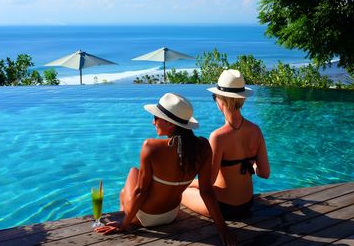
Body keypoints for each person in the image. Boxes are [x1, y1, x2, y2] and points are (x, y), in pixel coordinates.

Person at [95, 92, 236, 245]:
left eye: (156, 117)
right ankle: (128, 213)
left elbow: (141, 192)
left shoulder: (150, 147)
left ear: (170, 124)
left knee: (131, 176)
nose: (152, 122)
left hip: (145, 218)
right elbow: (207, 192)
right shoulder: (203, 146)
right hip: (171, 215)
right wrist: (223, 229)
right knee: (136, 176)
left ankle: (128, 216)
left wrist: (123, 225)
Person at [182, 69, 270, 220]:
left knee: (181, 191)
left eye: (214, 96)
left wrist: (190, 183)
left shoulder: (218, 136)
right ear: (242, 99)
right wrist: (250, 165)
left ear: (220, 100)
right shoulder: (256, 130)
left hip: (222, 207)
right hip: (247, 205)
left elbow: (208, 183)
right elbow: (264, 173)